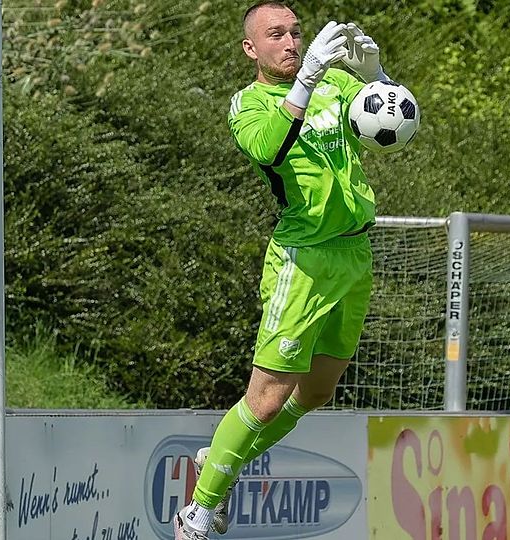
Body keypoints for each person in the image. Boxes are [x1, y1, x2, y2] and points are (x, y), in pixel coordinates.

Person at [174, 1, 394, 538]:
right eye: (277, 34)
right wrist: (310, 77)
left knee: (316, 394)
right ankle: (197, 512)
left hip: (354, 254)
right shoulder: (248, 103)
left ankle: (219, 461)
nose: (292, 42)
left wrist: (379, 78)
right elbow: (270, 149)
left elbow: (391, 121)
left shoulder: (337, 85)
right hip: (304, 260)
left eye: (296, 32)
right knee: (268, 400)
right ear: (251, 48)